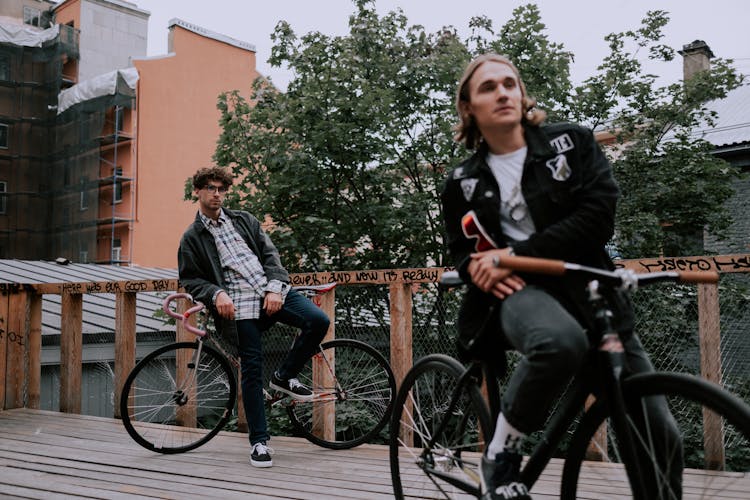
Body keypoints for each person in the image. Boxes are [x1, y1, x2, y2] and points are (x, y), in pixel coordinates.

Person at [440, 54, 681, 500]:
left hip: (589, 289)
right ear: (469, 107)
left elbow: (597, 217)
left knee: (663, 439)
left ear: (522, 93)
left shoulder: (572, 143)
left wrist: (512, 255)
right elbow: (461, 249)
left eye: (510, 83)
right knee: (559, 342)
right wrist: (476, 269)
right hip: (518, 296)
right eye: (488, 87)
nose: (503, 92)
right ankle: (502, 451)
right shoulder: (461, 181)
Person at [178, 166, 330, 468]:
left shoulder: (244, 220)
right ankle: (259, 442)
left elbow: (271, 256)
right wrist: (215, 294)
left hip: (271, 291)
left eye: (222, 188)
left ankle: (284, 377)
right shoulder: (192, 237)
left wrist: (275, 288)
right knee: (251, 366)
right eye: (210, 188)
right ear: (197, 191)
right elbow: (191, 280)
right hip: (237, 303)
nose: (217, 193)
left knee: (318, 321)